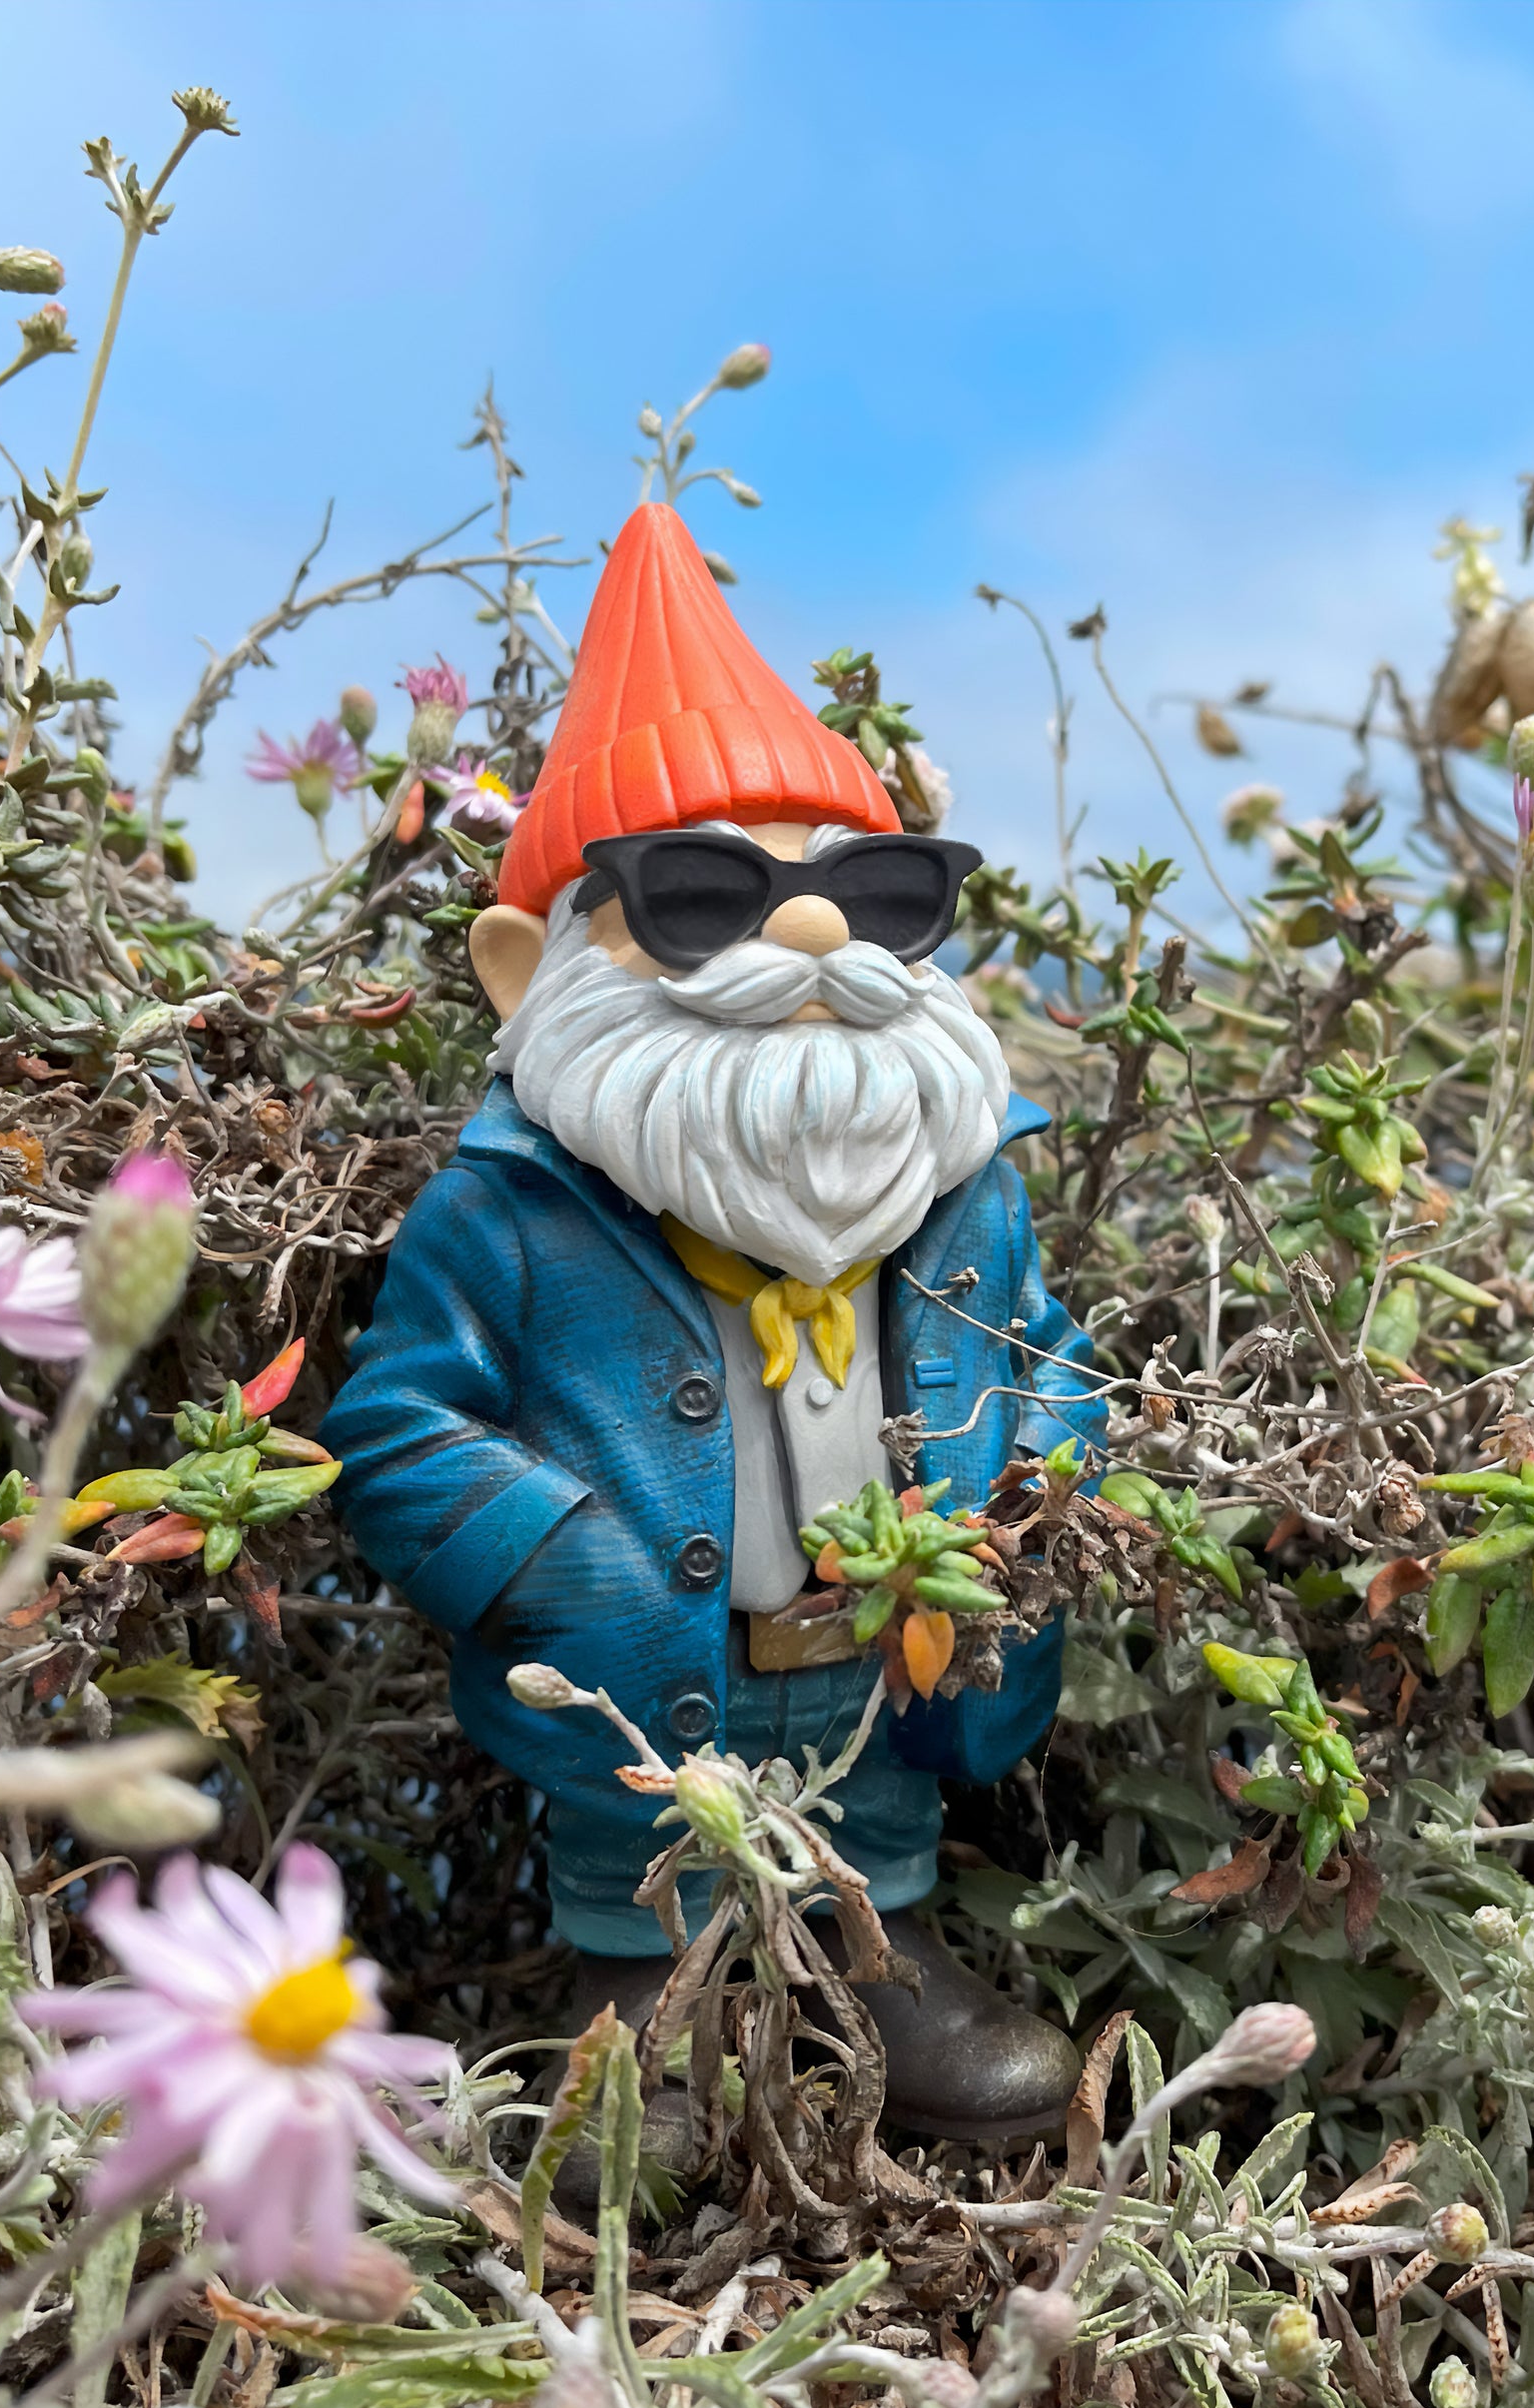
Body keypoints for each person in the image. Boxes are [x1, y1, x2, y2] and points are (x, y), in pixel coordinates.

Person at [323, 501, 1098, 2142]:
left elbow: (1048, 1363)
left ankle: (883, 1967)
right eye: (698, 894)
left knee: (867, 1825)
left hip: (887, 1654)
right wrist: (564, 1559)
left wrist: (1034, 1500)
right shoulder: (510, 1211)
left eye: (872, 893)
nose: (810, 935)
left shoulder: (964, 1194)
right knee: (649, 1858)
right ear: (527, 969)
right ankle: (640, 2012)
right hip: (649, 1674)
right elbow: (394, 1425)